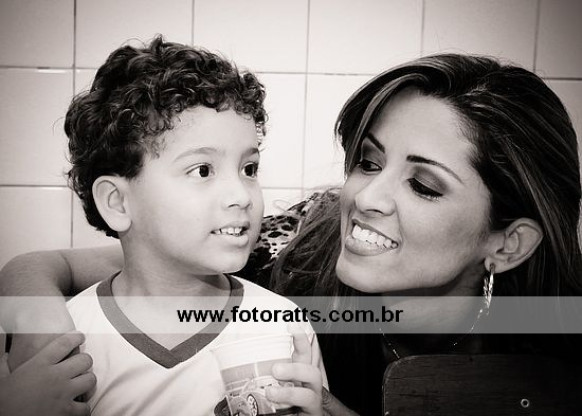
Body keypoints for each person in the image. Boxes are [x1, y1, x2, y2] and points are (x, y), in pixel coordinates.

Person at [2, 53, 582, 415]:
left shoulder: (550, 357)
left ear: (508, 244)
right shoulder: (295, 246)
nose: (365, 198)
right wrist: (32, 325)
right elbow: (113, 261)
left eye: (424, 186)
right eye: (369, 162)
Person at [1, 36, 328, 416]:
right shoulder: (64, 343)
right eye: (202, 170)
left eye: (249, 169)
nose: (241, 195)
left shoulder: (283, 329)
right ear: (117, 202)